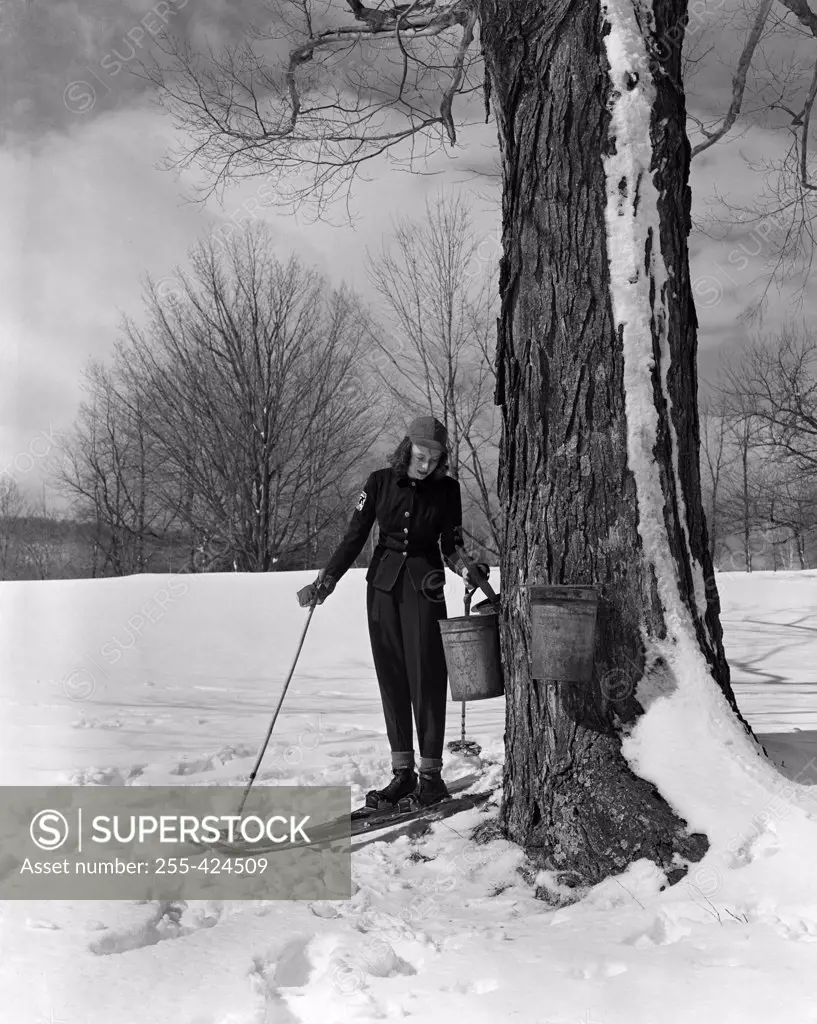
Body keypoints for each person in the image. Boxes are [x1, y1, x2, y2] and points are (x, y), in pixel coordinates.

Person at [296, 416, 489, 808]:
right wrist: (327, 581)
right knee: (392, 678)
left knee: (427, 679)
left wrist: (468, 569)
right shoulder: (379, 482)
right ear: (408, 449)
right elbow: (354, 536)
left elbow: (451, 544)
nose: (427, 464)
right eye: (421, 455)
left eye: (435, 457)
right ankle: (403, 775)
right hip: (382, 589)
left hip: (426, 589)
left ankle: (431, 777)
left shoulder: (447, 491)